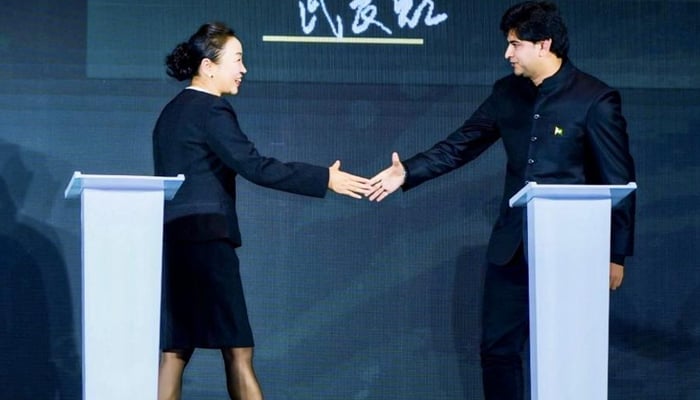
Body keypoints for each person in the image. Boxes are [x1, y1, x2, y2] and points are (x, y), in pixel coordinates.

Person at [367, 2, 636, 399]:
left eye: (515, 44)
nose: (507, 54)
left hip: (573, 250)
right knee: (497, 349)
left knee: (569, 349)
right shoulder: (506, 93)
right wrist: (407, 170)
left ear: (543, 45)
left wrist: (615, 254)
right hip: (513, 246)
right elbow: (461, 144)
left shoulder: (595, 99)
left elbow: (617, 179)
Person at [153, 22, 370, 400]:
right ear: (208, 67)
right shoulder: (212, 109)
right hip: (208, 241)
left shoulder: (170, 113)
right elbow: (254, 165)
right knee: (238, 349)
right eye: (237, 60)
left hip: (175, 242)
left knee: (175, 350)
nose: (243, 69)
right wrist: (323, 179)